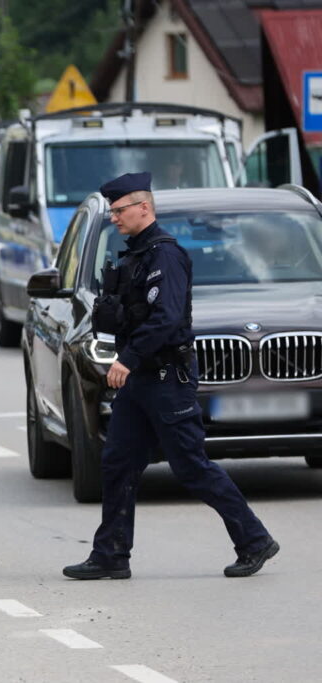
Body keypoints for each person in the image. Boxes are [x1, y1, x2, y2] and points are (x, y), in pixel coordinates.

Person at [64, 171, 278, 581]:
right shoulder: (134, 257)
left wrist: (126, 358)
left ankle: (254, 540)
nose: (114, 218)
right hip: (141, 380)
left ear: (144, 207)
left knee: (191, 466)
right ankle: (110, 554)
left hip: (165, 378)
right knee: (118, 463)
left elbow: (165, 318)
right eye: (111, 211)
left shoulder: (166, 256)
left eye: (120, 210)